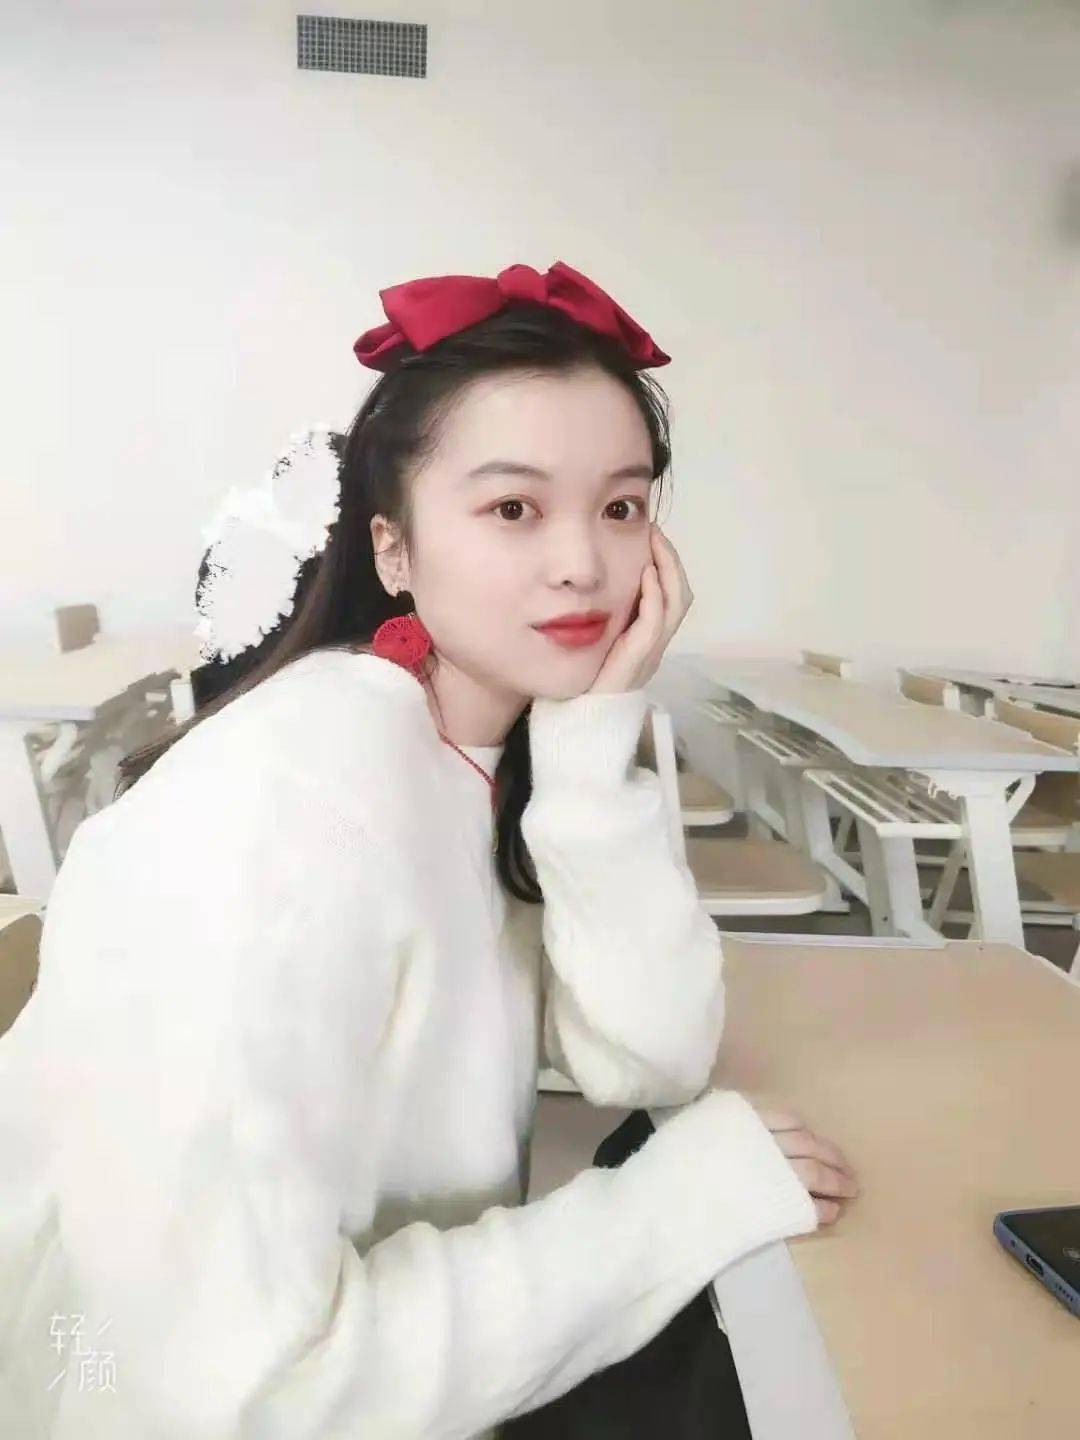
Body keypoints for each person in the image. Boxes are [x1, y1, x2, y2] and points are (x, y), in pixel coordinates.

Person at [0, 261, 858, 1438]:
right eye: (514, 509)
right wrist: (673, 1207)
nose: (583, 563)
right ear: (393, 551)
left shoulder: (480, 748)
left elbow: (651, 1059)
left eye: (621, 507)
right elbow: (249, 1395)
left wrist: (594, 738)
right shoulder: (276, 820)